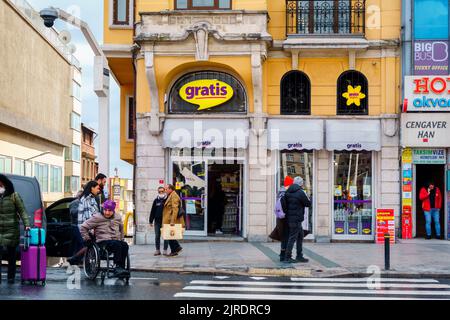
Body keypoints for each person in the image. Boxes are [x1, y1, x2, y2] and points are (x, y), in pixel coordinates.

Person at [80, 200, 129, 278]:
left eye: (109, 211)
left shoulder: (118, 217)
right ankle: (118, 267)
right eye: (105, 210)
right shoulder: (97, 217)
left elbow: (121, 229)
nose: (107, 212)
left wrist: (122, 238)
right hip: (102, 242)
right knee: (117, 245)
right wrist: (87, 239)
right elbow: (83, 227)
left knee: (124, 245)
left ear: (113, 211)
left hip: (115, 240)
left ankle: (121, 267)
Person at [0, 174, 31, 284]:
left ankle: (11, 277)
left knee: (11, 255)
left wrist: (27, 224)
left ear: (4, 183)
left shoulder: (14, 195)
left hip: (11, 229)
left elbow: (22, 211)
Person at [284, 176, 311, 264]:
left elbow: (285, 204)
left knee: (300, 236)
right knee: (292, 237)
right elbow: (308, 204)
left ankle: (299, 256)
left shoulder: (288, 191)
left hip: (290, 218)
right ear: (301, 184)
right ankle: (287, 257)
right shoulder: (300, 192)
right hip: (296, 219)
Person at [163, 184, 184, 257]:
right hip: (168, 218)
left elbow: (175, 209)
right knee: (169, 235)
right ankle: (175, 249)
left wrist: (172, 221)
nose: (165, 191)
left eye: (166, 189)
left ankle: (176, 248)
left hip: (170, 219)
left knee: (169, 235)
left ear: (170, 189)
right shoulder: (170, 195)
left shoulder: (174, 195)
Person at [149, 186, 169, 256]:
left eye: (162, 191)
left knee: (166, 236)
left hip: (165, 221)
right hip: (157, 221)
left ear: (164, 191)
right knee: (157, 236)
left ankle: (165, 250)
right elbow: (152, 211)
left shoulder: (167, 200)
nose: (161, 193)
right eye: (159, 192)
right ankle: (157, 250)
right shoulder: (156, 200)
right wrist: (150, 221)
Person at [67, 190, 85, 265]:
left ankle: (76, 259)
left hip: (82, 225)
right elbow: (73, 212)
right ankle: (75, 259)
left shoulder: (85, 203)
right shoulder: (73, 203)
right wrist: (81, 207)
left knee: (79, 244)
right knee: (79, 243)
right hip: (75, 226)